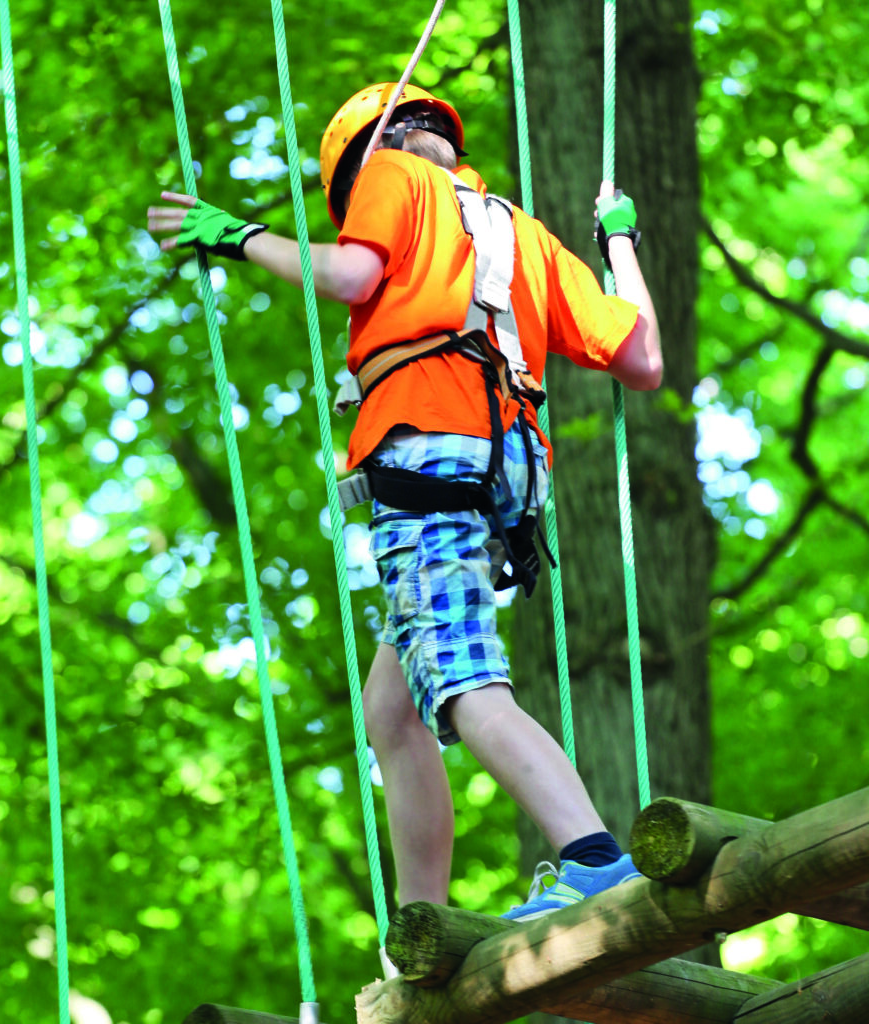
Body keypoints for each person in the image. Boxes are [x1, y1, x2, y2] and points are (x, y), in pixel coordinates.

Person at [147, 82, 662, 921]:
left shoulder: (390, 176)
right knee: (391, 708)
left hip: (427, 450)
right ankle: (422, 922)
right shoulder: (521, 233)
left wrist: (238, 237)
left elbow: (352, 274)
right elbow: (642, 359)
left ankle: (595, 856)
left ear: (363, 164)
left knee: (461, 680)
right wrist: (621, 244)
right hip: (506, 470)